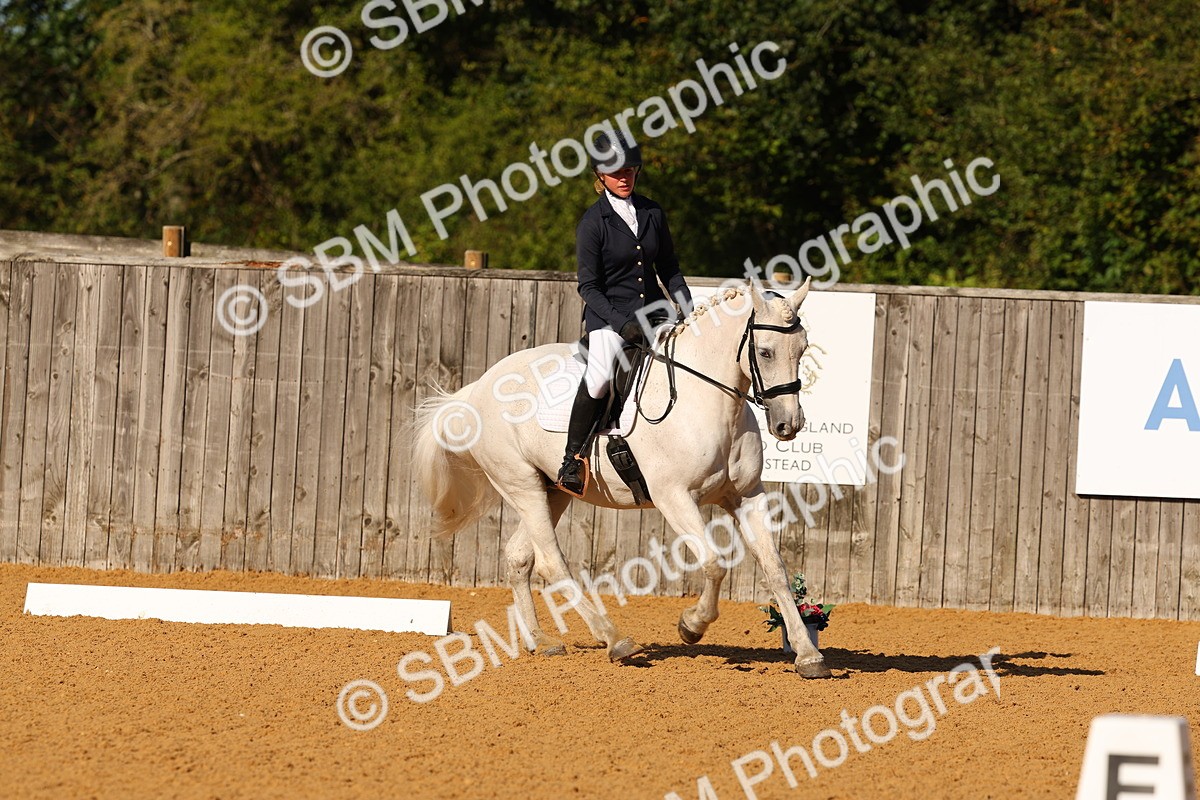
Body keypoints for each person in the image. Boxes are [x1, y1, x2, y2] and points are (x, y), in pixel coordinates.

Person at [555, 131, 693, 496]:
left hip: (655, 315)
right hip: (609, 319)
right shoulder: (593, 222)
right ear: (600, 175)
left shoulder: (652, 212)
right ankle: (573, 459)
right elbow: (588, 287)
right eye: (616, 171)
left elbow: (669, 268)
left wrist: (688, 308)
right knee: (600, 377)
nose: (624, 176)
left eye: (630, 169)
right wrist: (620, 323)